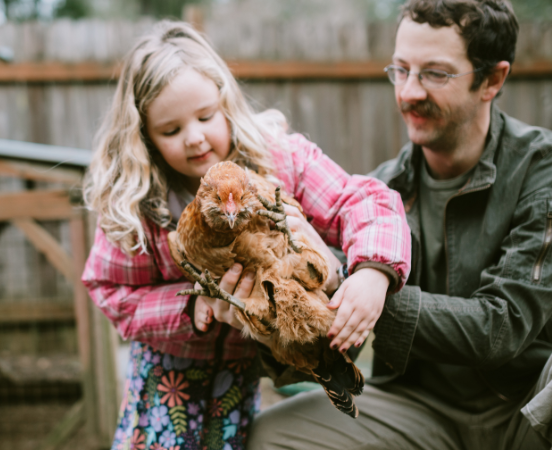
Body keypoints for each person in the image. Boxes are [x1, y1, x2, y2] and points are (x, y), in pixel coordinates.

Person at [248, 1, 552, 449]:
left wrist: (363, 286)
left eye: (435, 73)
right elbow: (333, 346)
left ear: (492, 79)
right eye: (401, 69)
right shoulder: (378, 196)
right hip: (419, 409)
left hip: (530, 408)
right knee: (274, 434)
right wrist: (269, 302)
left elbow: (501, 327)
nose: (409, 91)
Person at [81, 21, 412, 450]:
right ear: (144, 135)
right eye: (171, 130)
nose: (195, 137)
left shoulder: (277, 159)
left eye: (205, 116)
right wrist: (193, 308)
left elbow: (364, 201)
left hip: (237, 382)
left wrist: (372, 271)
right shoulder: (138, 200)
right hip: (164, 382)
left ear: (226, 102)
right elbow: (109, 289)